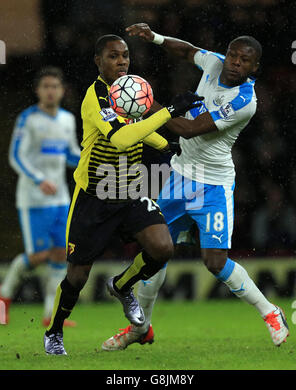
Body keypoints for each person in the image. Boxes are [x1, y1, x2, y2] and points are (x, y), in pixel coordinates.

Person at [102, 23, 289, 351]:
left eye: (243, 60)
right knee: (154, 254)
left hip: (213, 185)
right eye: (232, 54)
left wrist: (146, 105)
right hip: (178, 177)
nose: (234, 62)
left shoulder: (244, 100)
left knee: (215, 262)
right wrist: (156, 38)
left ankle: (271, 312)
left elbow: (189, 129)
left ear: (254, 67)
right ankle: (139, 328)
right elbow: (188, 50)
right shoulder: (216, 62)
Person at [43, 34, 201, 355]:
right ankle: (55, 331)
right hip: (95, 196)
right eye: (113, 56)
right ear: (98, 62)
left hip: (129, 190)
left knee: (162, 247)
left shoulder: (129, 90)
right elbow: (121, 138)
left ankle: (122, 285)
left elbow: (141, 128)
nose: (122, 62)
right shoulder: (96, 98)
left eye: (125, 55)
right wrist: (170, 110)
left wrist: (165, 146)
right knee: (77, 275)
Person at [0, 67, 81, 327]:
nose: (50, 91)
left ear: (62, 90)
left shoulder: (68, 119)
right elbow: (16, 156)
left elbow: (69, 155)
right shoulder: (28, 119)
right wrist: (38, 178)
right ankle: (3, 298)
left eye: (54, 86)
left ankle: (51, 313)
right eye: (45, 86)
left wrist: (89, 161)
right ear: (38, 91)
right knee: (37, 256)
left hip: (60, 199)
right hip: (33, 198)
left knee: (60, 254)